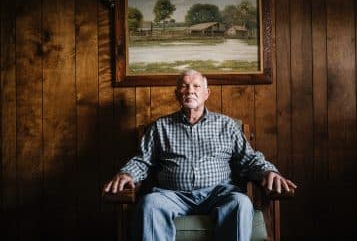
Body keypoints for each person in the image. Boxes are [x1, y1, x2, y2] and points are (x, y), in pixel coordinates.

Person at [104, 70, 297, 241]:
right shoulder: (160, 126)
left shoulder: (226, 125)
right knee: (149, 204)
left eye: (196, 86)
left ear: (206, 93)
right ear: (177, 94)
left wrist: (268, 171)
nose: (190, 90)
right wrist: (127, 174)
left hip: (218, 193)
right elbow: (143, 160)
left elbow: (249, 158)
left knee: (241, 202)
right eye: (184, 86)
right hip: (172, 195)